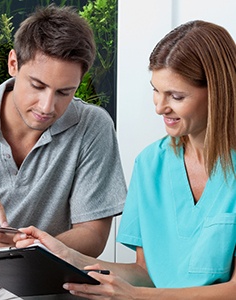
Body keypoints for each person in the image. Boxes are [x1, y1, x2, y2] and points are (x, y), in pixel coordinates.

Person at [14, 20, 236, 299]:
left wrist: (136, 297)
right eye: (156, 90)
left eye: (176, 96)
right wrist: (66, 255)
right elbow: (144, 274)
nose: (159, 107)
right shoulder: (151, 164)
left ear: (217, 92)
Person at [0, 4, 127, 300]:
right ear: (13, 64)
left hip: (30, 286)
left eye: (65, 92)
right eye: (37, 85)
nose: (47, 107)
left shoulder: (93, 126)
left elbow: (93, 233)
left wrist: (37, 246)